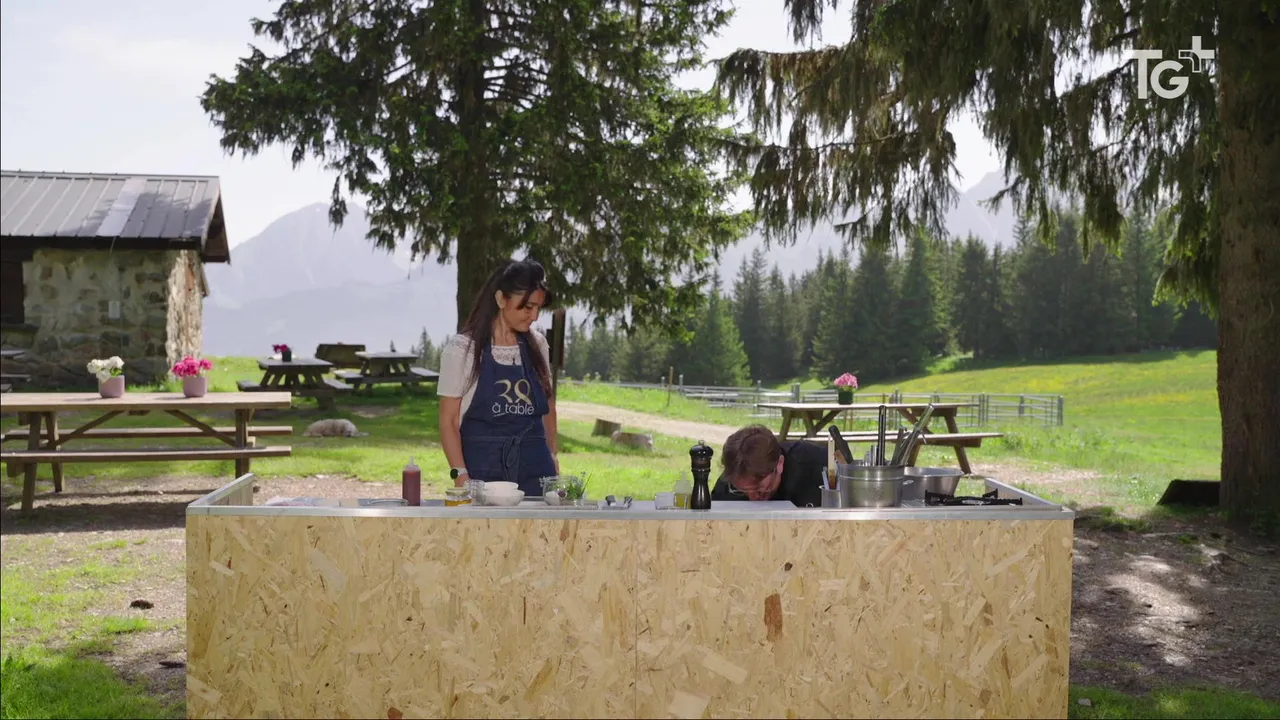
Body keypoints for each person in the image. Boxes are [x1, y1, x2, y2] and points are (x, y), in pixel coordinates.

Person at [439, 259, 559, 496]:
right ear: (501, 299)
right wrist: (460, 477)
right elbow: (448, 422)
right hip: (483, 476)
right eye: (527, 307)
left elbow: (549, 409)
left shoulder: (538, 345)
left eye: (538, 308)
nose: (535, 316)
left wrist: (553, 458)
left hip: (537, 472)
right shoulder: (463, 350)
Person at [710, 425, 828, 507]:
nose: (753, 498)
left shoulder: (819, 468)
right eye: (742, 491)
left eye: (759, 489)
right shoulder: (729, 483)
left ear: (780, 464)